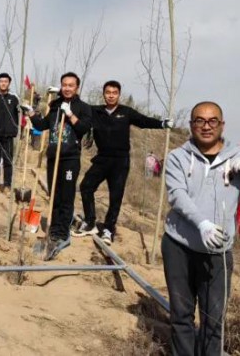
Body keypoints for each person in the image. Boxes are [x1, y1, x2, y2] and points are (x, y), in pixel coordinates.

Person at [162, 101, 239, 355]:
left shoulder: (236, 159)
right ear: (191, 124)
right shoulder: (177, 158)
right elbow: (177, 195)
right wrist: (202, 224)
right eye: (200, 121)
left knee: (214, 321)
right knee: (181, 316)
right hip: (179, 246)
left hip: (217, 253)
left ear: (222, 125)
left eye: (212, 121)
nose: (206, 126)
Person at [73, 80, 172, 244]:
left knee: (116, 196)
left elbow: (144, 121)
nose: (111, 95)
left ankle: (108, 229)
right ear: (103, 94)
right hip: (102, 159)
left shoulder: (126, 112)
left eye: (114, 93)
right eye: (108, 92)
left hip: (120, 162)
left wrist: (162, 124)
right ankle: (90, 222)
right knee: (86, 186)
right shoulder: (95, 111)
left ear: (119, 95)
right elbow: (79, 109)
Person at [24, 72, 92, 260]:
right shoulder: (54, 105)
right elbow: (44, 125)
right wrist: (31, 113)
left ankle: (62, 232)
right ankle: (53, 228)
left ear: (77, 87)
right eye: (64, 85)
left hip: (70, 158)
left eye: (71, 85)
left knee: (66, 195)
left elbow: (83, 128)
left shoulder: (83, 107)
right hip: (54, 157)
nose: (67, 88)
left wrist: (69, 114)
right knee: (53, 194)